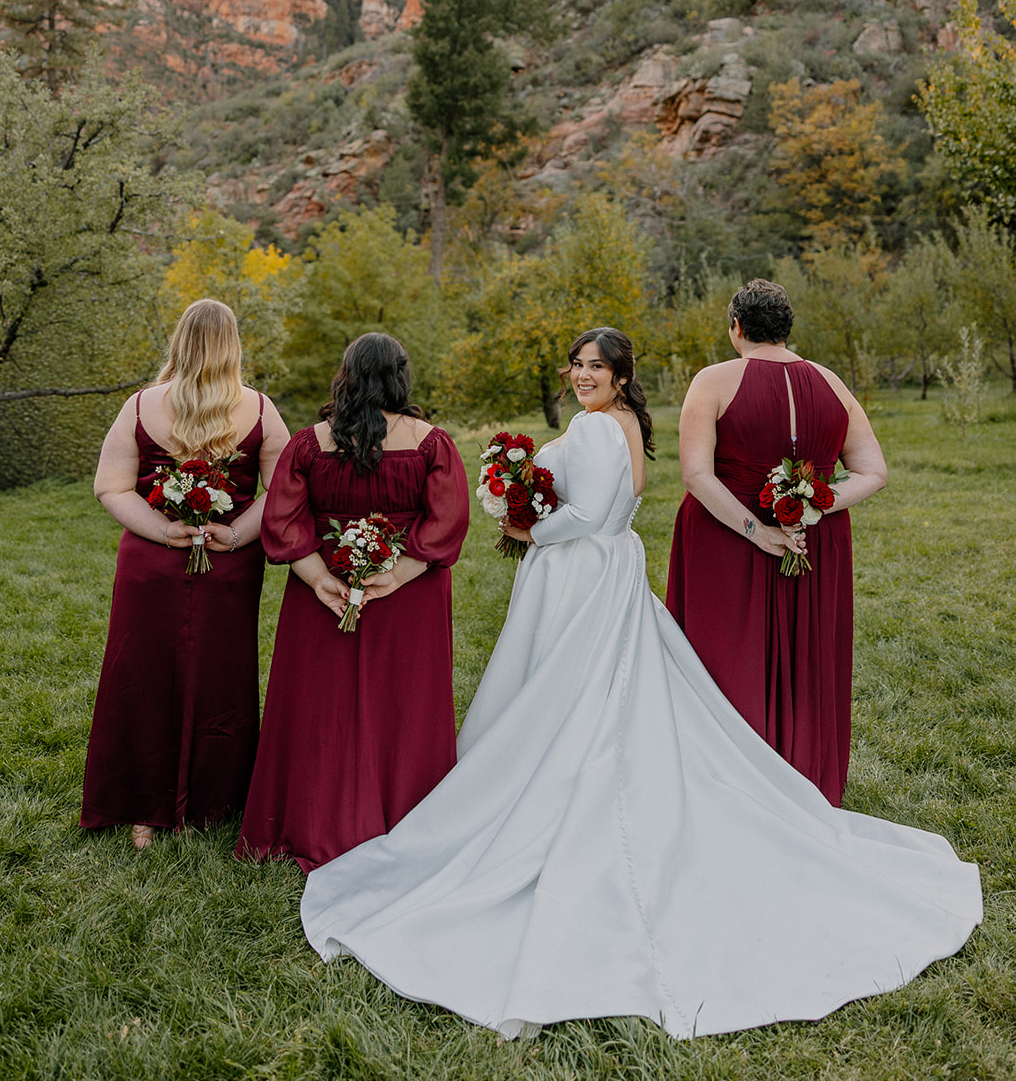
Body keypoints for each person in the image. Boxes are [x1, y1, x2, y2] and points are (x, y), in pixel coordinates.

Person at [297, 325, 980, 1041]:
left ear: (621, 377)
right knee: (603, 691)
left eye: (598, 367)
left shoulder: (595, 430)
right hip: (608, 569)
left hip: (581, 572)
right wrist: (529, 503)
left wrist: (527, 526)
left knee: (574, 697)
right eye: (578, 364)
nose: (583, 374)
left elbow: (588, 516)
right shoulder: (618, 424)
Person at [236, 332, 470, 870]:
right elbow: (448, 520)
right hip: (408, 594)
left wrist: (319, 577)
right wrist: (400, 573)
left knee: (321, 707)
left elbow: (283, 519)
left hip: (326, 587)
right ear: (400, 376)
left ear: (346, 375)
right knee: (403, 703)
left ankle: (312, 818)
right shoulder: (431, 442)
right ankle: (403, 817)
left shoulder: (310, 442)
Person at [665, 278, 885, 806]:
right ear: (787, 328)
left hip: (727, 539)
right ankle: (802, 774)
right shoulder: (833, 383)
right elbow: (873, 471)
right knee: (806, 658)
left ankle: (726, 783)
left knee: (723, 657)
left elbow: (697, 475)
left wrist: (759, 532)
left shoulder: (713, 381)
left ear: (736, 327)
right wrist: (812, 505)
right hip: (813, 543)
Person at [81, 298, 290, 848]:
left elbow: (111, 487)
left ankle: (143, 811)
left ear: (179, 342)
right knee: (221, 677)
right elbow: (286, 490)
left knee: (143, 677)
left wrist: (161, 530)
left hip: (153, 562)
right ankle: (212, 804)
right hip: (227, 564)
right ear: (232, 347)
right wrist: (236, 534)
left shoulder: (140, 405)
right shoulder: (261, 410)